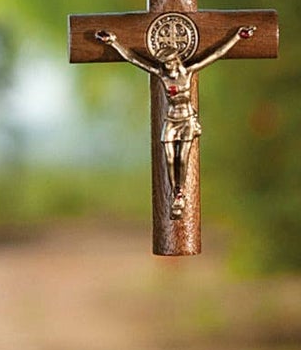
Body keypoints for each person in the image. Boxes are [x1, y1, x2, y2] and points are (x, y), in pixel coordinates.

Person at [93, 23, 258, 219]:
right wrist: (114, 42)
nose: (168, 66)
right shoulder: (162, 75)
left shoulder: (188, 74)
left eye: (171, 62)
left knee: (183, 158)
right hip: (171, 120)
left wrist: (238, 37)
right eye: (165, 64)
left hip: (187, 119)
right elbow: (133, 58)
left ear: (177, 60)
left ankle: (180, 193)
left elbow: (217, 54)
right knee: (169, 157)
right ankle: (175, 193)